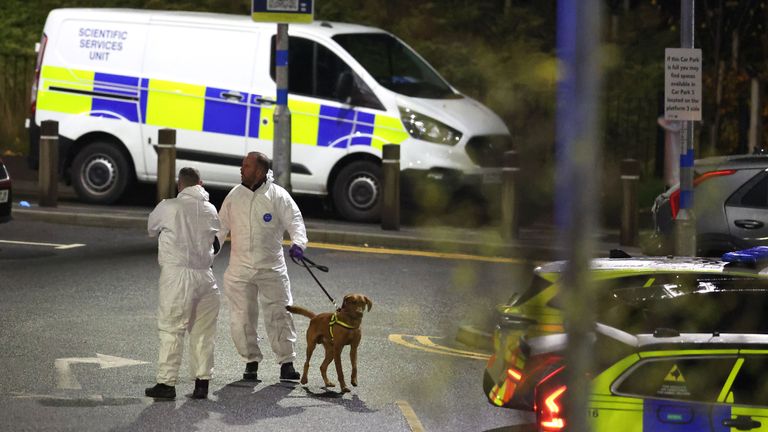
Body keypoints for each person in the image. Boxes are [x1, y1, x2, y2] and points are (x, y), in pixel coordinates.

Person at [218, 151, 307, 381]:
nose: (241, 168)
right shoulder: (234, 196)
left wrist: (298, 244)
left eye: (246, 166)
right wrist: (207, 253)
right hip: (239, 269)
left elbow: (295, 221)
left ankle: (286, 362)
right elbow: (219, 229)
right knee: (241, 317)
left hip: (271, 268)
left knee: (279, 313)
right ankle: (250, 361)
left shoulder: (278, 196)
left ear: (259, 171)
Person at [145, 167, 221, 400]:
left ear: (180, 185)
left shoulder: (168, 206)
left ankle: (166, 384)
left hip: (178, 276)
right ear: (201, 183)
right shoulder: (210, 209)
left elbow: (151, 229)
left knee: (171, 329)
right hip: (206, 277)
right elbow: (215, 241)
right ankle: (202, 384)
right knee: (204, 333)